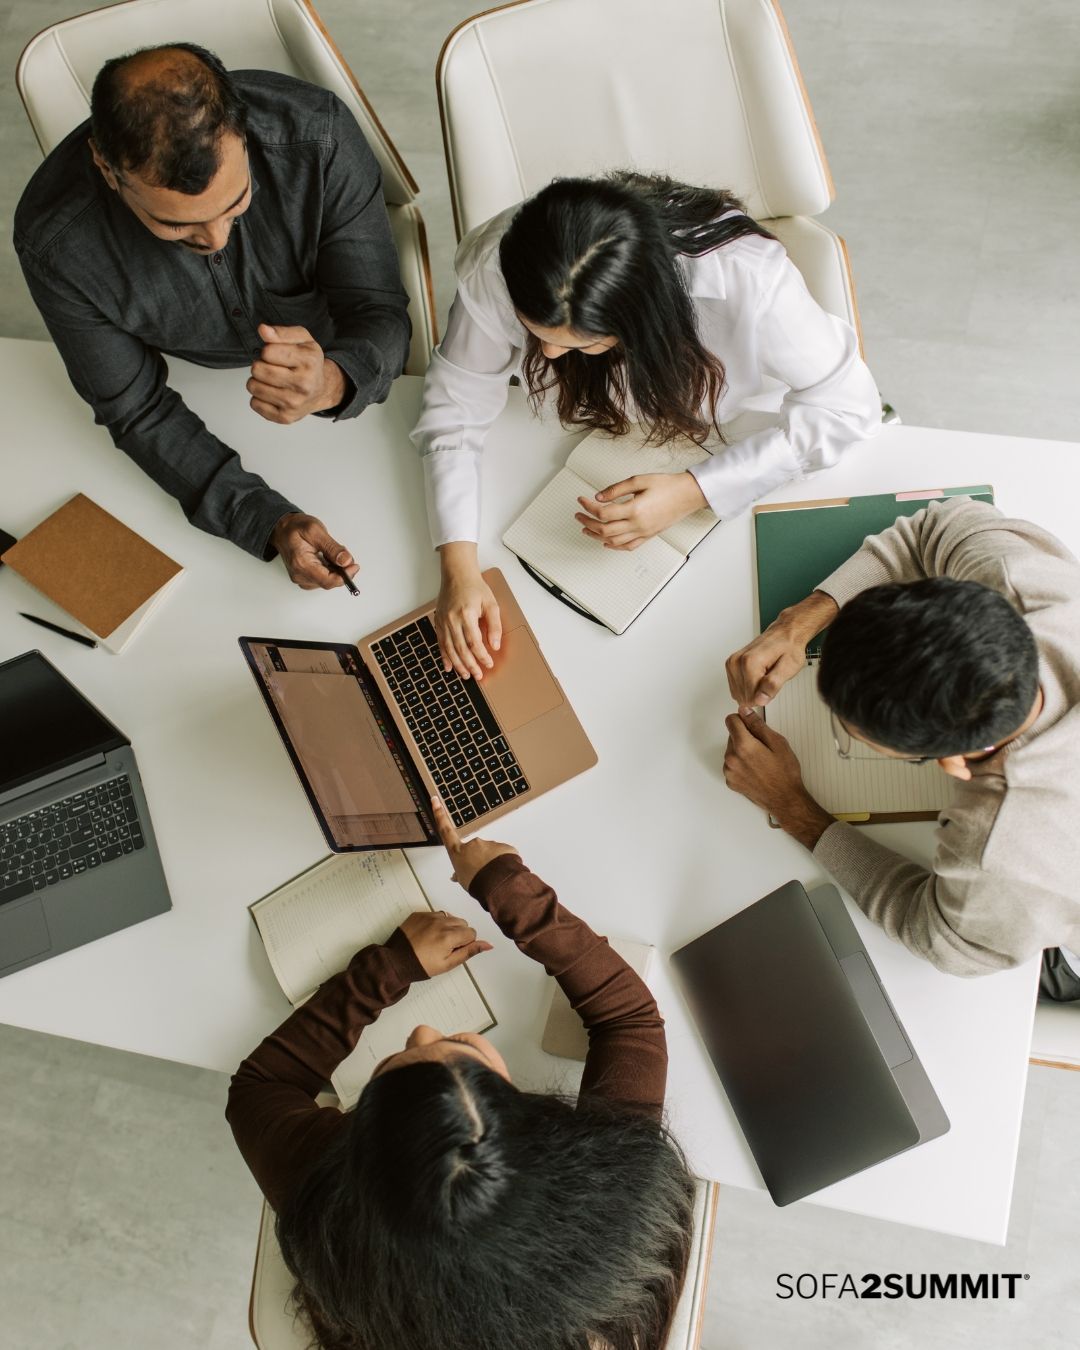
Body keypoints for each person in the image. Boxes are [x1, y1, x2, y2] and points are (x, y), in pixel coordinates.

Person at [227, 796, 694, 1350]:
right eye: (464, 1051)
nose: (422, 1032)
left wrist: (391, 967)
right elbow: (631, 1022)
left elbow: (260, 1088)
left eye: (393, 1066)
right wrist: (508, 888)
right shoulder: (617, 1207)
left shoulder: (327, 1207)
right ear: (548, 1132)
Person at [411, 172, 881, 679]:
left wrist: (694, 491)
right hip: (570, 440)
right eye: (535, 333)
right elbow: (455, 408)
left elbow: (848, 407)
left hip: (732, 439)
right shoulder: (503, 262)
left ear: (644, 315)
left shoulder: (747, 279)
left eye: (580, 344)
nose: (547, 354)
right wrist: (458, 568)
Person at [14, 43, 411, 591]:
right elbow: (136, 410)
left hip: (341, 384)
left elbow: (379, 311)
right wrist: (269, 520)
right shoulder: (55, 241)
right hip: (197, 390)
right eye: (177, 227)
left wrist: (333, 383)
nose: (216, 238)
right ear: (107, 169)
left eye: (236, 202)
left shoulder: (317, 134)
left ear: (242, 135)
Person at [722, 496, 1080, 998]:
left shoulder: (999, 855)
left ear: (952, 764)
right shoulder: (1023, 582)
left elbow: (945, 941)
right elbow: (933, 527)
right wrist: (796, 624)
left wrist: (793, 807)